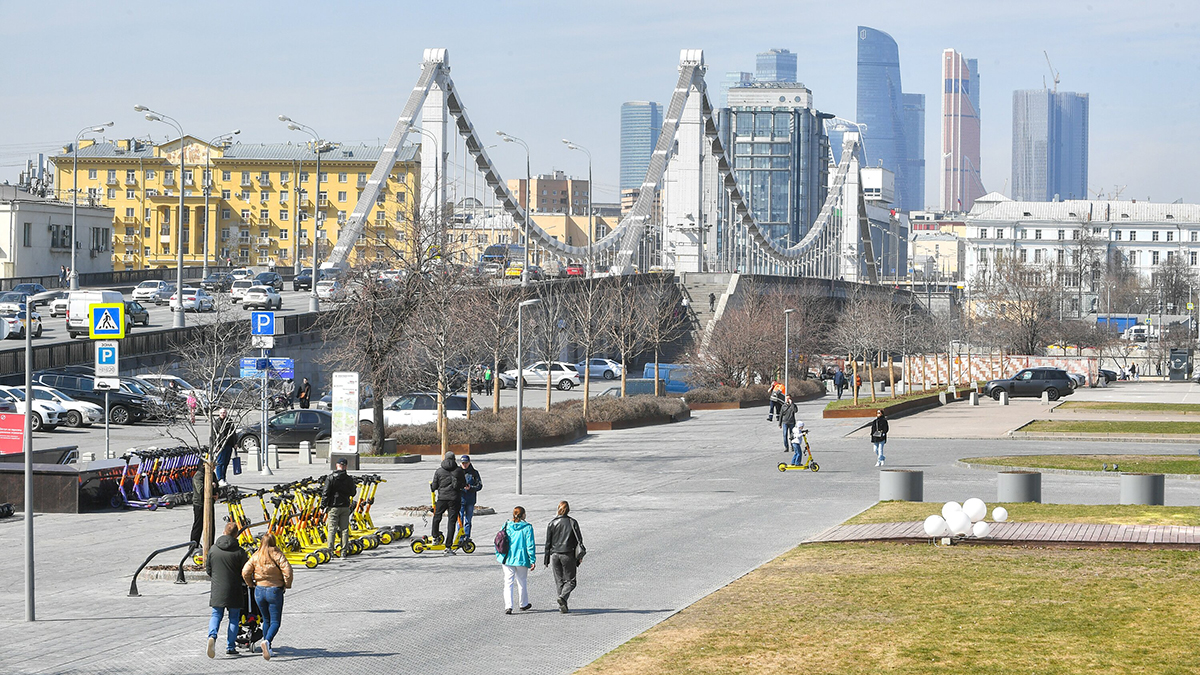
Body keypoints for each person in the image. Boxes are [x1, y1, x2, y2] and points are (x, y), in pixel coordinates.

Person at [241, 533, 293, 661]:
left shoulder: (256, 555)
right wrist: (286, 584)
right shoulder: (277, 554)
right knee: (275, 621)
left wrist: (251, 584)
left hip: (259, 590)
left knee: (266, 619)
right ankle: (267, 642)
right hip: (275, 590)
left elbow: (245, 571)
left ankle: (267, 645)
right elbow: (288, 571)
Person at [206, 521, 249, 658]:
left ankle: (212, 636)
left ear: (224, 532)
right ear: (236, 535)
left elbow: (208, 569)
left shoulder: (213, 549)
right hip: (234, 589)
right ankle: (230, 646)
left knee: (216, 615)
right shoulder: (240, 552)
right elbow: (245, 572)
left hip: (218, 588)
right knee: (234, 618)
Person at [544, 500, 585, 613]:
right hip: (568, 554)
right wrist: (579, 556)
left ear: (558, 509)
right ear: (568, 510)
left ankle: (562, 605)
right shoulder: (572, 522)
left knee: (559, 581)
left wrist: (546, 559)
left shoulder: (552, 523)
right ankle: (562, 598)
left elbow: (548, 542)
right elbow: (579, 540)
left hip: (555, 555)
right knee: (571, 581)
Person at [497, 506, 536, 614]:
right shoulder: (527, 527)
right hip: (521, 558)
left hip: (507, 558)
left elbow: (499, 539)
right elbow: (530, 545)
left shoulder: (506, 525)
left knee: (508, 582)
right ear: (523, 515)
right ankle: (523, 604)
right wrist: (532, 559)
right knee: (521, 581)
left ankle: (508, 606)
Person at [430, 451, 465, 555]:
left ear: (444, 459)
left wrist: (432, 486)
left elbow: (434, 486)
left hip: (442, 498)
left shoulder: (439, 471)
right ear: (454, 459)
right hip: (455, 499)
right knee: (451, 521)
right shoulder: (459, 470)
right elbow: (463, 484)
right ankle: (448, 546)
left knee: (437, 517)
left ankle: (435, 537)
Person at [322, 457, 357, 558]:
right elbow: (353, 492)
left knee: (332, 528)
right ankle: (343, 552)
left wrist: (323, 505)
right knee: (344, 529)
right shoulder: (349, 479)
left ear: (337, 465)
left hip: (333, 506)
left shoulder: (331, 478)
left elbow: (325, 493)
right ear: (346, 466)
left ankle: (330, 551)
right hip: (345, 506)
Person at [458, 455, 483, 544]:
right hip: (460, 499)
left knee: (468, 520)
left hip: (470, 500)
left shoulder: (474, 473)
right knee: (460, 520)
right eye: (463, 463)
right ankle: (460, 538)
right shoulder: (457, 472)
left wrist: (471, 487)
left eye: (466, 463)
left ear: (469, 463)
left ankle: (467, 537)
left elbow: (479, 485)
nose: (464, 465)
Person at [212, 409, 236, 487]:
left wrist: (235, 443)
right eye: (221, 413)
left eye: (224, 413)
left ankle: (224, 478)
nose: (223, 414)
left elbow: (233, 433)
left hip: (228, 445)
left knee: (226, 463)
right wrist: (217, 445)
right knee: (220, 463)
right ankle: (220, 479)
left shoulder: (229, 422)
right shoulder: (217, 423)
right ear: (219, 414)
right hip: (221, 445)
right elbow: (214, 435)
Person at [190, 465, 207, 545]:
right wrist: (211, 485)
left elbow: (216, 486)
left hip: (209, 502)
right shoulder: (198, 476)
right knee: (198, 525)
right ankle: (194, 544)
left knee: (210, 525)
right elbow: (201, 490)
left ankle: (209, 544)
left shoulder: (211, 474)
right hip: (199, 503)